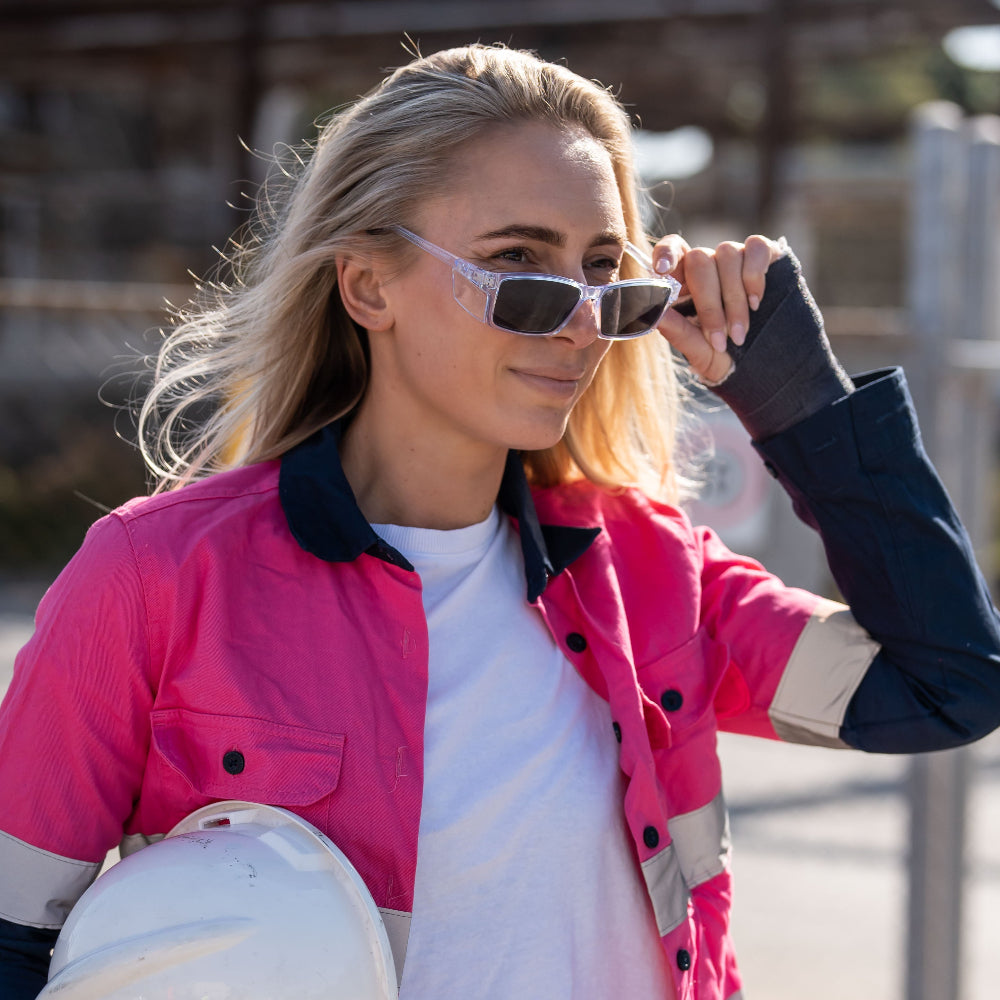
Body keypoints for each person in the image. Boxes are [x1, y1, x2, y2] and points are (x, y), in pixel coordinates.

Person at [1, 42, 998, 1000]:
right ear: (367, 284)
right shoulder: (156, 576)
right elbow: (12, 941)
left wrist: (801, 402)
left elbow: (945, 682)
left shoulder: (651, 570)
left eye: (602, 271)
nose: (574, 321)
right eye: (519, 265)